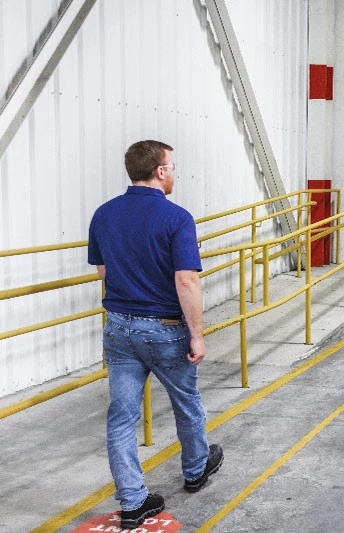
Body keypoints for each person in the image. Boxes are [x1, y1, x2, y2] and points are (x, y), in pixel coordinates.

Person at [88, 140, 223, 529]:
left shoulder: (104, 214)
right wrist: (196, 334)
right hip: (164, 329)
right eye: (172, 166)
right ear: (160, 171)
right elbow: (186, 279)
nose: (174, 172)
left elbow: (102, 272)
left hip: (118, 327)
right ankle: (196, 469)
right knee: (185, 401)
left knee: (121, 416)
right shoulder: (176, 217)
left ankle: (132, 501)